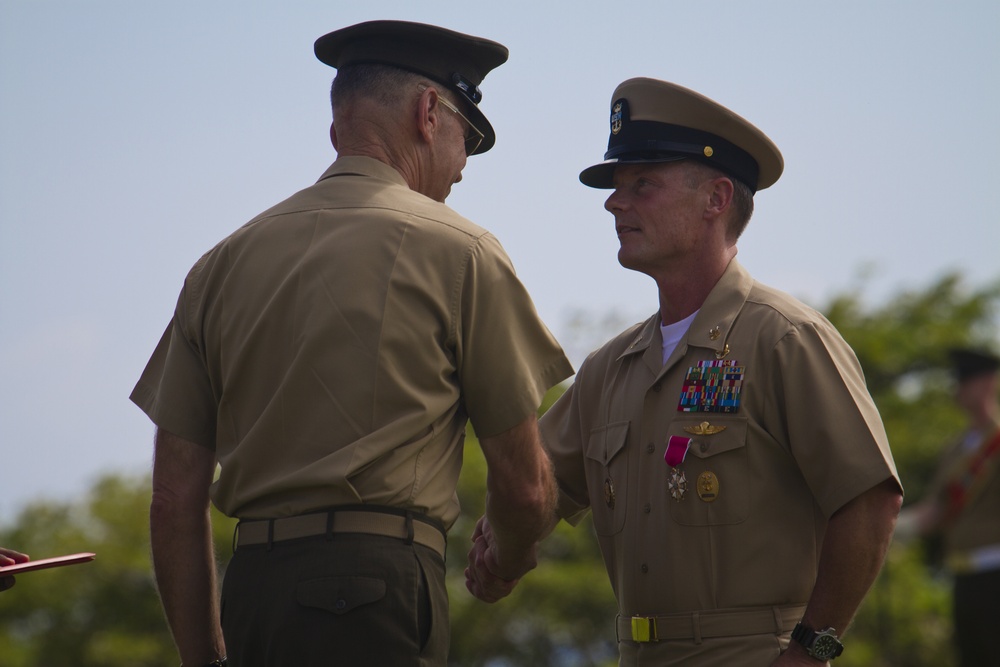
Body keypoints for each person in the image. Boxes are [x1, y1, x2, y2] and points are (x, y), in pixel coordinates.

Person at [130, 20, 573, 667]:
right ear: (428, 113)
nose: (461, 170)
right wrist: (507, 557)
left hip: (251, 593)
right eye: (466, 141)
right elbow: (524, 486)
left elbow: (172, 499)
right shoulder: (461, 250)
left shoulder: (219, 265)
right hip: (378, 596)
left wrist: (205, 656)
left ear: (339, 128)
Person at [465, 78, 903, 665]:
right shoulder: (609, 369)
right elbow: (534, 482)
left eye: (642, 183)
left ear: (717, 198)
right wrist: (497, 548)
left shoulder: (786, 339)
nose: (614, 202)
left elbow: (871, 500)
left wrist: (812, 650)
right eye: (617, 187)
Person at [897, 347, 1000, 667]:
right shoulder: (954, 449)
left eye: (966, 380)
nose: (959, 389)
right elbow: (937, 509)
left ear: (987, 383)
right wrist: (893, 528)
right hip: (964, 577)